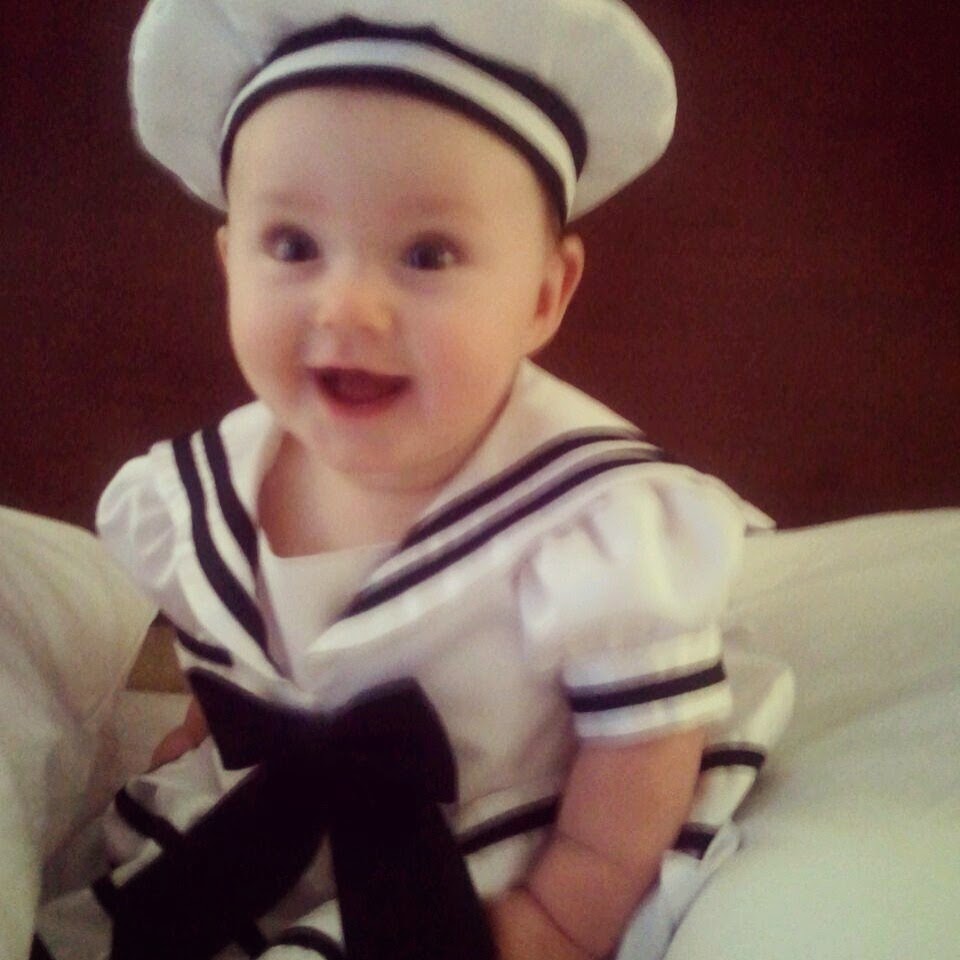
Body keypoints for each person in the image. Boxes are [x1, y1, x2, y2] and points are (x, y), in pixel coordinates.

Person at [34, 2, 793, 959]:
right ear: (228, 262)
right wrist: (203, 723)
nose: (348, 305)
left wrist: (567, 911)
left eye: (428, 255)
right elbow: (236, 635)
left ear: (544, 295)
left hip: (487, 829)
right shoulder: (195, 488)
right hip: (268, 812)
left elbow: (642, 747)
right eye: (292, 246)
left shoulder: (589, 521)